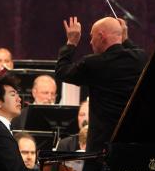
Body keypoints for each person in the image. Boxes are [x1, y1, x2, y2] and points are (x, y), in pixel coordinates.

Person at [56, 16, 146, 159]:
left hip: (101, 147)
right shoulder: (140, 58)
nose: (91, 42)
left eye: (92, 37)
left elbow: (62, 72)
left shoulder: (93, 64)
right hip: (133, 143)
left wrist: (71, 42)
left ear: (101, 36)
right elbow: (135, 49)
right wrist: (125, 37)